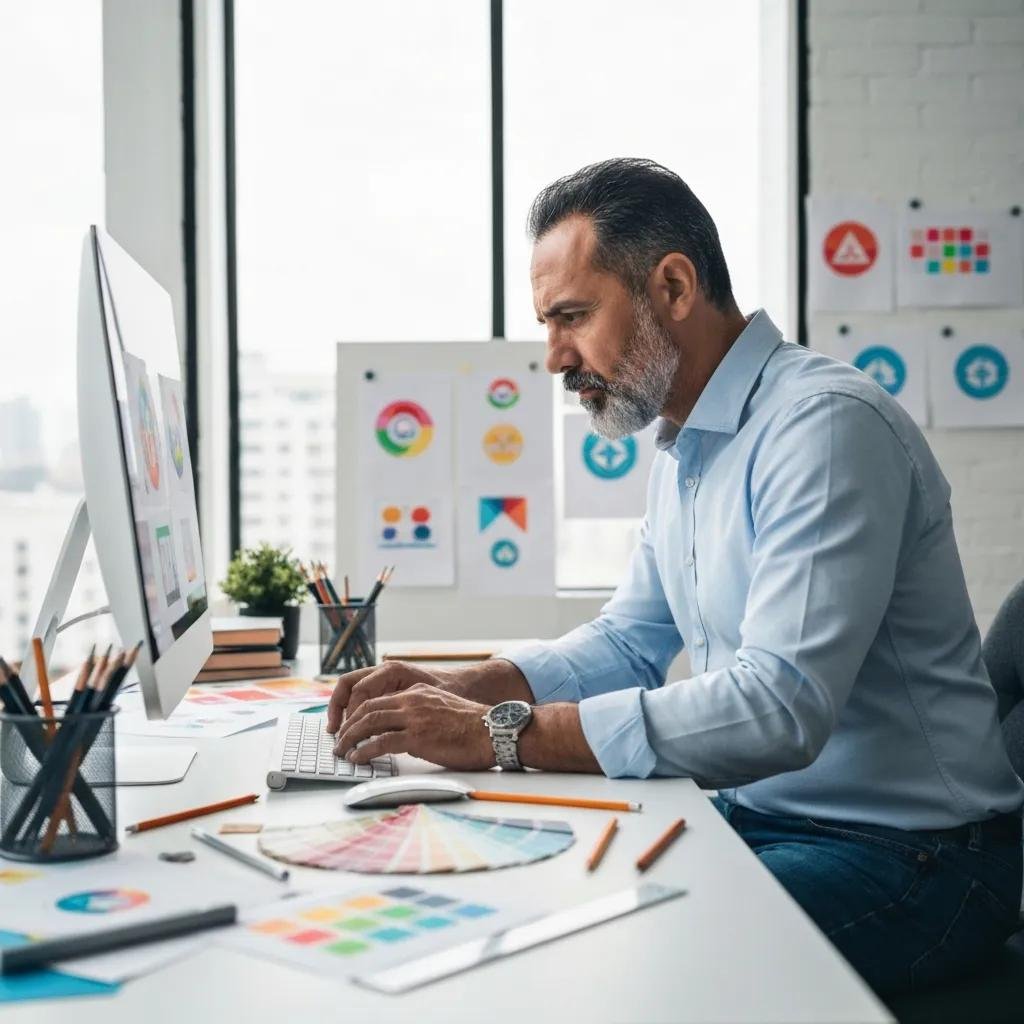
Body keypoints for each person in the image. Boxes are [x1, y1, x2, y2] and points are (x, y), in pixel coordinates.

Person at [328, 158, 1024, 996]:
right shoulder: (687, 442)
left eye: (573, 317)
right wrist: (465, 687)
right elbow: (631, 637)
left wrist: (498, 734)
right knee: (540, 911)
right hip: (765, 819)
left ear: (673, 286)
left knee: (621, 972)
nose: (554, 358)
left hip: (914, 859)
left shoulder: (825, 429)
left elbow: (778, 708)